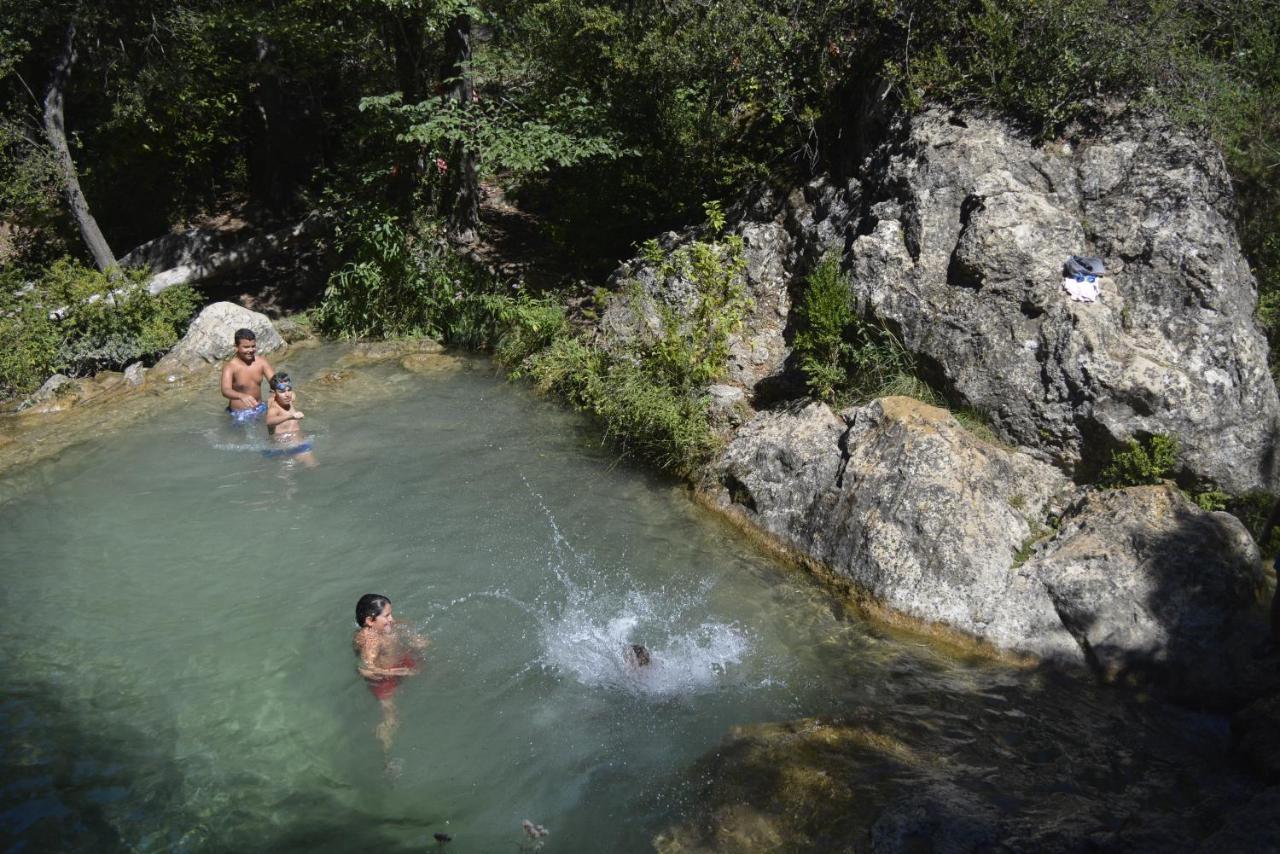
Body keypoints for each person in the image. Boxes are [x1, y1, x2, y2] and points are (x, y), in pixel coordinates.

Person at [353, 594, 429, 753]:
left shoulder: (383, 626)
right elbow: (366, 669)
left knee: (432, 668)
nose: (392, 619)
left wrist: (415, 638)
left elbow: (404, 623)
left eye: (391, 614)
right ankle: (385, 754)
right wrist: (399, 672)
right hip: (384, 679)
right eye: (387, 616)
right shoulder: (370, 640)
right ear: (370, 621)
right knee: (392, 718)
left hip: (400, 661)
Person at [220, 328, 275, 421]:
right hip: (239, 413)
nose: (250, 350)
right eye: (246, 347)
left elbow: (275, 381)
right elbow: (225, 390)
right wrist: (241, 396)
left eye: (253, 346)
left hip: (260, 407)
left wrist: (283, 391)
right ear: (236, 347)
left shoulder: (261, 362)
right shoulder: (230, 367)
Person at [263, 373, 316, 466]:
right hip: (283, 448)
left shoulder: (289, 398)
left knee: (313, 466)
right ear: (273, 393)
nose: (287, 394)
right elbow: (269, 421)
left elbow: (290, 393)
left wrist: (286, 390)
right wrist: (290, 416)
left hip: (298, 444)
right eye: (282, 391)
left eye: (289, 390)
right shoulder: (274, 408)